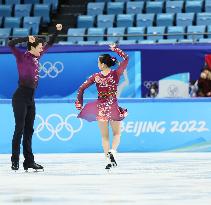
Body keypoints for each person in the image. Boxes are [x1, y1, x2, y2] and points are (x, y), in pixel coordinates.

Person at [8, 24, 63, 171]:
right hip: (20, 97)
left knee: (29, 130)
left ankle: (29, 161)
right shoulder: (21, 57)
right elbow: (10, 43)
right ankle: (15, 160)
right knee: (19, 128)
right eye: (39, 47)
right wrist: (26, 38)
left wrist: (57, 31)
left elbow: (50, 43)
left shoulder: (37, 55)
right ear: (32, 47)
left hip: (31, 99)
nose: (42, 49)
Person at [75, 44, 129, 170]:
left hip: (101, 109)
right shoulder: (116, 74)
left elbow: (81, 88)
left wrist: (79, 102)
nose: (97, 64)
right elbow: (126, 59)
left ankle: (108, 161)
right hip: (113, 107)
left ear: (103, 64)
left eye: (99, 62)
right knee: (117, 134)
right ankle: (113, 152)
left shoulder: (96, 76)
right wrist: (116, 49)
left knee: (105, 136)